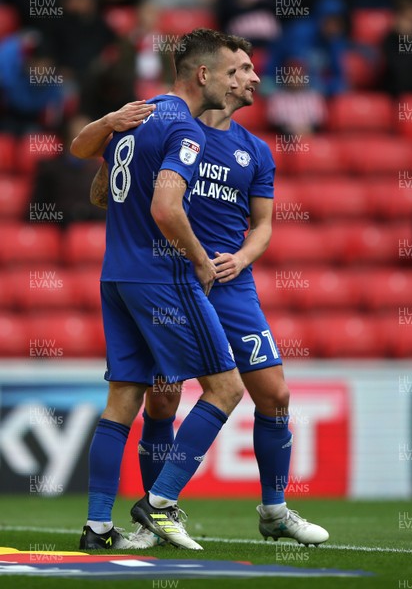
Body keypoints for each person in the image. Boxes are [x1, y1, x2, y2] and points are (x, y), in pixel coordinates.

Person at [72, 37, 329, 548]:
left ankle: (270, 508)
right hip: (175, 277)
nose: (254, 78)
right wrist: (193, 257)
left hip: (220, 282)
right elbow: (148, 202)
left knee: (272, 393)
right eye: (244, 69)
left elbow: (263, 226)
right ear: (213, 76)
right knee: (167, 397)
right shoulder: (170, 125)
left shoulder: (252, 149)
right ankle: (159, 510)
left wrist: (242, 258)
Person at [71, 28, 246, 551]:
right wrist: (200, 262)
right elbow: (166, 208)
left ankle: (98, 527)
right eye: (232, 72)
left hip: (116, 275)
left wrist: (107, 127)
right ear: (202, 74)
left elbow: (97, 184)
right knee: (226, 388)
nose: (238, 82)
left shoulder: (137, 116)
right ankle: (160, 501)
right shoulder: (184, 130)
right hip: (159, 276)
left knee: (124, 397)